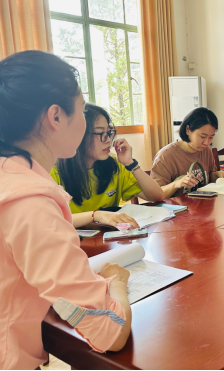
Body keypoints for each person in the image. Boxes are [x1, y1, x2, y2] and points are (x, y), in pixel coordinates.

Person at [0, 51, 132, 370]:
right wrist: (116, 281)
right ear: (56, 117)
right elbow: (110, 330)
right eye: (82, 109)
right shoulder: (30, 201)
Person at [52, 104, 164, 229]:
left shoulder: (114, 165)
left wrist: (131, 163)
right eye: (101, 133)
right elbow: (50, 220)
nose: (108, 140)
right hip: (74, 239)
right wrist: (96, 215)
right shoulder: (54, 171)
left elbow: (157, 196)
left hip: (109, 237)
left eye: (109, 132)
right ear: (79, 135)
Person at [151, 107, 224, 198]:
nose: (207, 142)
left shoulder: (206, 150)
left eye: (211, 137)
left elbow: (209, 178)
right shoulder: (166, 156)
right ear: (188, 130)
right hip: (177, 206)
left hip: (203, 203)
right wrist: (176, 184)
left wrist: (218, 175)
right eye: (203, 136)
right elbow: (155, 194)